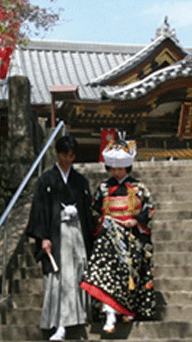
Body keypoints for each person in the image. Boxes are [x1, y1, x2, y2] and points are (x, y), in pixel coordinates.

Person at [80, 139, 156, 333]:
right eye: (113, 168)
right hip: (109, 237)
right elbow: (95, 211)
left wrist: (136, 221)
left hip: (131, 236)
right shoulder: (103, 189)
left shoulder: (139, 188)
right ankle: (108, 310)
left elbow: (149, 210)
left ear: (127, 167)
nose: (117, 172)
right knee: (106, 268)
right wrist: (104, 221)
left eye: (120, 169)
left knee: (130, 271)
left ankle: (128, 309)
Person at [26, 136, 94, 341]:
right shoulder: (46, 179)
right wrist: (43, 237)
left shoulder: (80, 181)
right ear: (57, 152)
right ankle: (60, 324)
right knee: (60, 279)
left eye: (72, 155)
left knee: (79, 271)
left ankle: (80, 316)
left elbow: (87, 210)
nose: (68, 159)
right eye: (65, 154)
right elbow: (40, 209)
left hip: (77, 234)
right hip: (57, 234)